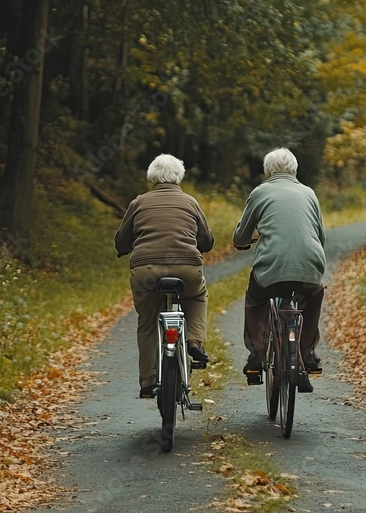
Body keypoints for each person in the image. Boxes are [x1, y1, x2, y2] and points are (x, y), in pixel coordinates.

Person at [114, 154, 215, 399]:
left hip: (146, 271)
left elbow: (122, 241)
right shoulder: (190, 202)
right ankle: (194, 341)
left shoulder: (138, 202)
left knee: (148, 322)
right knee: (197, 297)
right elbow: (207, 240)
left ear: (152, 177)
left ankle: (148, 382)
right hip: (187, 270)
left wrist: (124, 249)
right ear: (178, 176)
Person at [232, 147, 326, 393]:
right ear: (294, 169)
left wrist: (241, 242)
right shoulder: (309, 193)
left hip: (270, 270)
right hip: (309, 265)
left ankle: (257, 353)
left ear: (267, 170)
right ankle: (307, 354)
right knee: (313, 296)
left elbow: (241, 235)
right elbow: (320, 236)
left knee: (256, 299)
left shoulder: (260, 192)